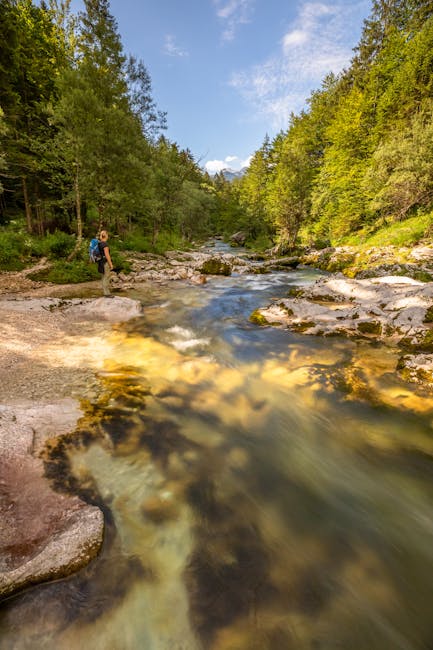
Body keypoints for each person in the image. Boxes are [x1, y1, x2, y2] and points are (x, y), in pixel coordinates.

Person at [98, 230, 114, 297]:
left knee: (103, 277)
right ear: (106, 235)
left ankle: (105, 292)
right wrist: (111, 264)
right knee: (106, 277)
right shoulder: (105, 244)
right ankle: (107, 293)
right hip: (105, 262)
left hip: (100, 262)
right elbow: (107, 255)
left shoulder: (99, 243)